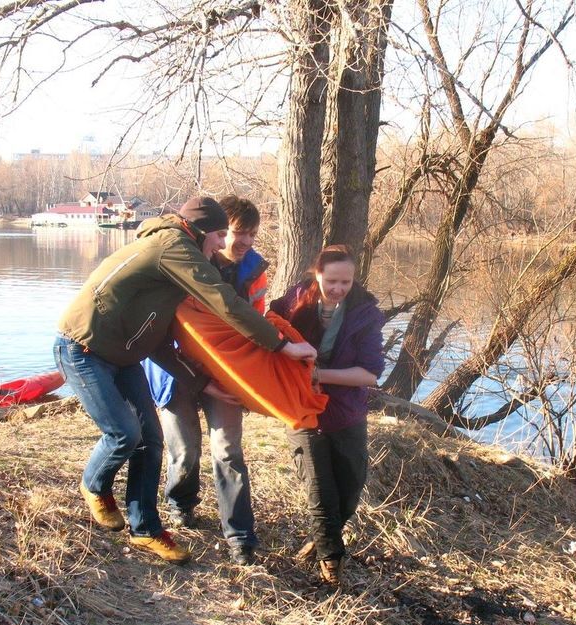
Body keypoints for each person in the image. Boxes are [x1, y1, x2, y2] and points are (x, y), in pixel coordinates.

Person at [55, 196, 316, 564]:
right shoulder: (177, 248)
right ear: (206, 232)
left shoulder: (211, 261)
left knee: (178, 444)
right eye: (227, 233)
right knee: (139, 438)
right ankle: (110, 489)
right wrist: (280, 345)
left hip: (160, 359)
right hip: (105, 352)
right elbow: (216, 305)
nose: (235, 242)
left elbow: (171, 333)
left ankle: (160, 529)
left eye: (247, 234)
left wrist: (217, 380)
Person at [144, 196, 268, 566]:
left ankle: (240, 536)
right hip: (176, 370)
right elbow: (161, 328)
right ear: (216, 232)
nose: (244, 241)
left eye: (251, 234)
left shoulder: (254, 269)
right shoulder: (184, 259)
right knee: (185, 450)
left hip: (225, 371)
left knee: (227, 450)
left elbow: (255, 324)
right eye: (236, 232)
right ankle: (181, 503)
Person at [269, 245, 385, 588]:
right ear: (316, 274)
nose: (337, 288)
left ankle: (323, 538)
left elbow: (370, 374)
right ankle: (331, 561)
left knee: (350, 488)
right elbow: (266, 329)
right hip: (303, 410)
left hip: (346, 413)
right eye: (331, 280)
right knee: (320, 491)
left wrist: (318, 374)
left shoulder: (365, 314)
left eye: (345, 282)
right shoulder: (293, 303)